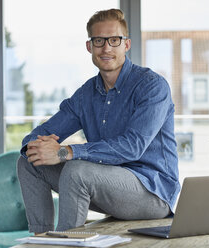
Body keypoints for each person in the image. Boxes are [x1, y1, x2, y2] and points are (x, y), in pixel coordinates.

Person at [17, 8, 180, 233]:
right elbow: (39, 133)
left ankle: (67, 243)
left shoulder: (152, 86)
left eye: (114, 40)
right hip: (105, 187)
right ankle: (42, 238)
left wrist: (65, 152)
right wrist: (36, 146)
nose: (106, 48)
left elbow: (132, 147)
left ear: (127, 45)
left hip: (152, 192)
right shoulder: (86, 95)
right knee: (29, 161)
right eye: (99, 41)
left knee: (77, 170)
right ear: (89, 46)